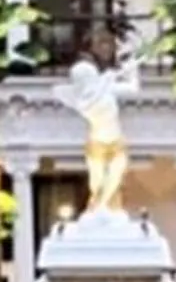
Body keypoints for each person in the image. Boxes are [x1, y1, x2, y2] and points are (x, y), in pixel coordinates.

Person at [57, 25, 141, 217]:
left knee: (115, 182)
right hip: (97, 145)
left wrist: (131, 64)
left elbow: (133, 88)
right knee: (98, 185)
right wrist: (110, 77)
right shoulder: (86, 102)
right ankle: (97, 212)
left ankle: (107, 212)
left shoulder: (105, 90)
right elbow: (91, 96)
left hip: (117, 142)